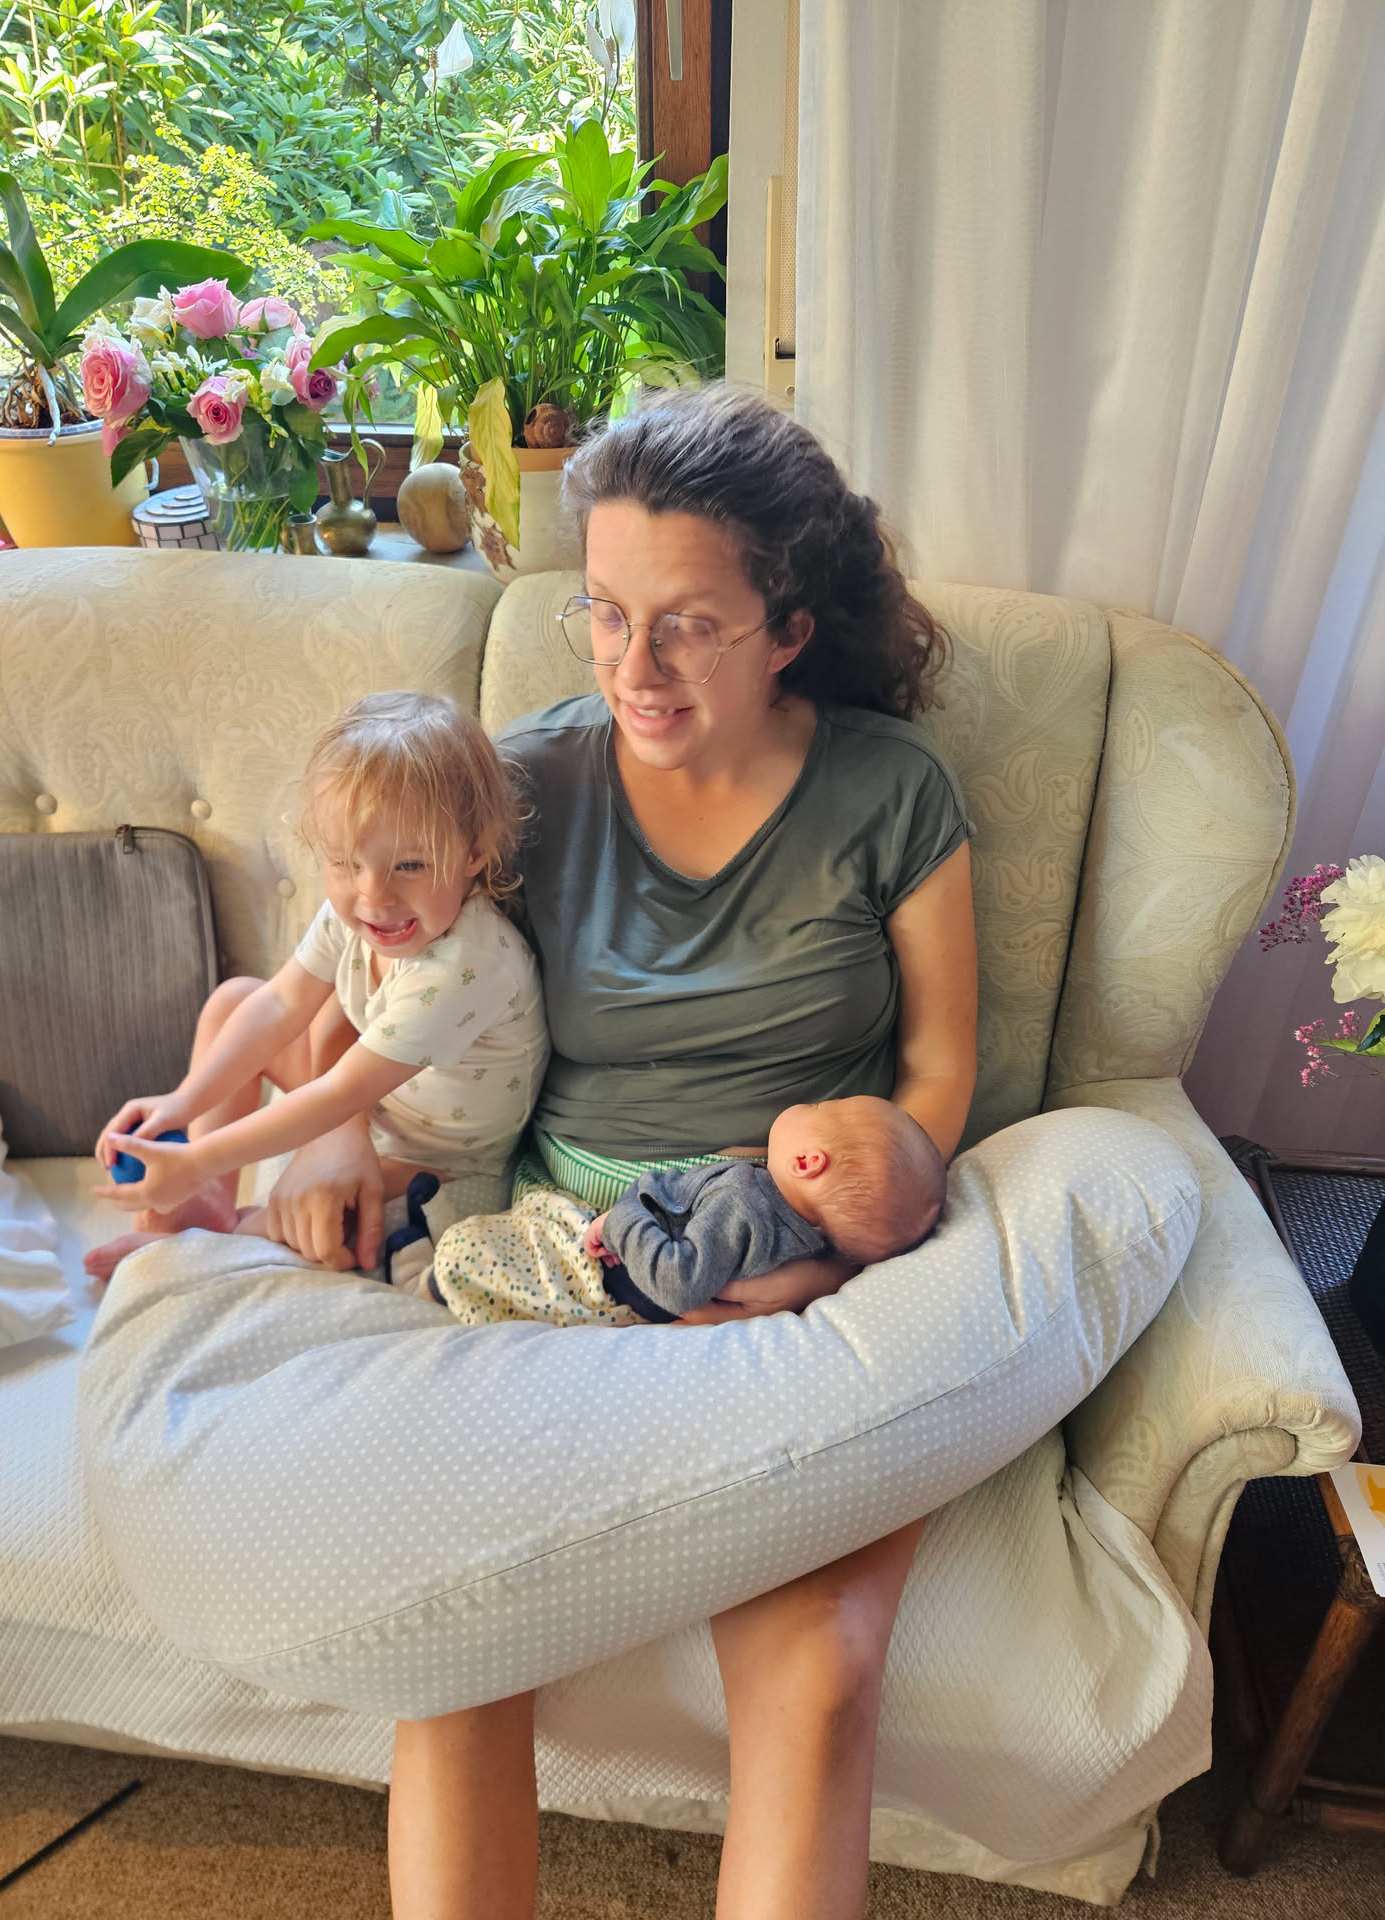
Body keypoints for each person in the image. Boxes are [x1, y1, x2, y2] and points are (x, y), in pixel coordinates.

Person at [261, 386, 978, 1920]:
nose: (630, 666)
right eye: (603, 611)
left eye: (686, 627)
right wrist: (328, 1135)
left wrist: (827, 1245)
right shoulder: (521, 784)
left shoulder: (891, 794)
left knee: (818, 1671)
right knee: (455, 1648)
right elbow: (352, 955)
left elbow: (937, 1072)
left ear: (788, 629)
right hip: (561, 1259)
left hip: (802, 1264)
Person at [84, 691, 548, 1281]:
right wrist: (183, 1102)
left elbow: (338, 1094)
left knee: (323, 1217)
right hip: (376, 1107)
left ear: (474, 851)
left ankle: (216, 1237)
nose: (374, 896)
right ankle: (205, 1203)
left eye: (410, 865)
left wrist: (195, 1158)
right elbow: (282, 1002)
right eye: (346, 863)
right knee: (235, 1001)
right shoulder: (356, 913)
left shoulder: (467, 965)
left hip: (436, 1163)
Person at [426, 1094, 945, 1326]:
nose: (813, 1103)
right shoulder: (788, 1223)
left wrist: (621, 1222)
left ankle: (424, 1278)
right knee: (516, 1227)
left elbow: (677, 1282)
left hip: (606, 1274)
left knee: (469, 1251)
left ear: (808, 1162)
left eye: (820, 1109)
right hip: (618, 1238)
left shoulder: (747, 1209)